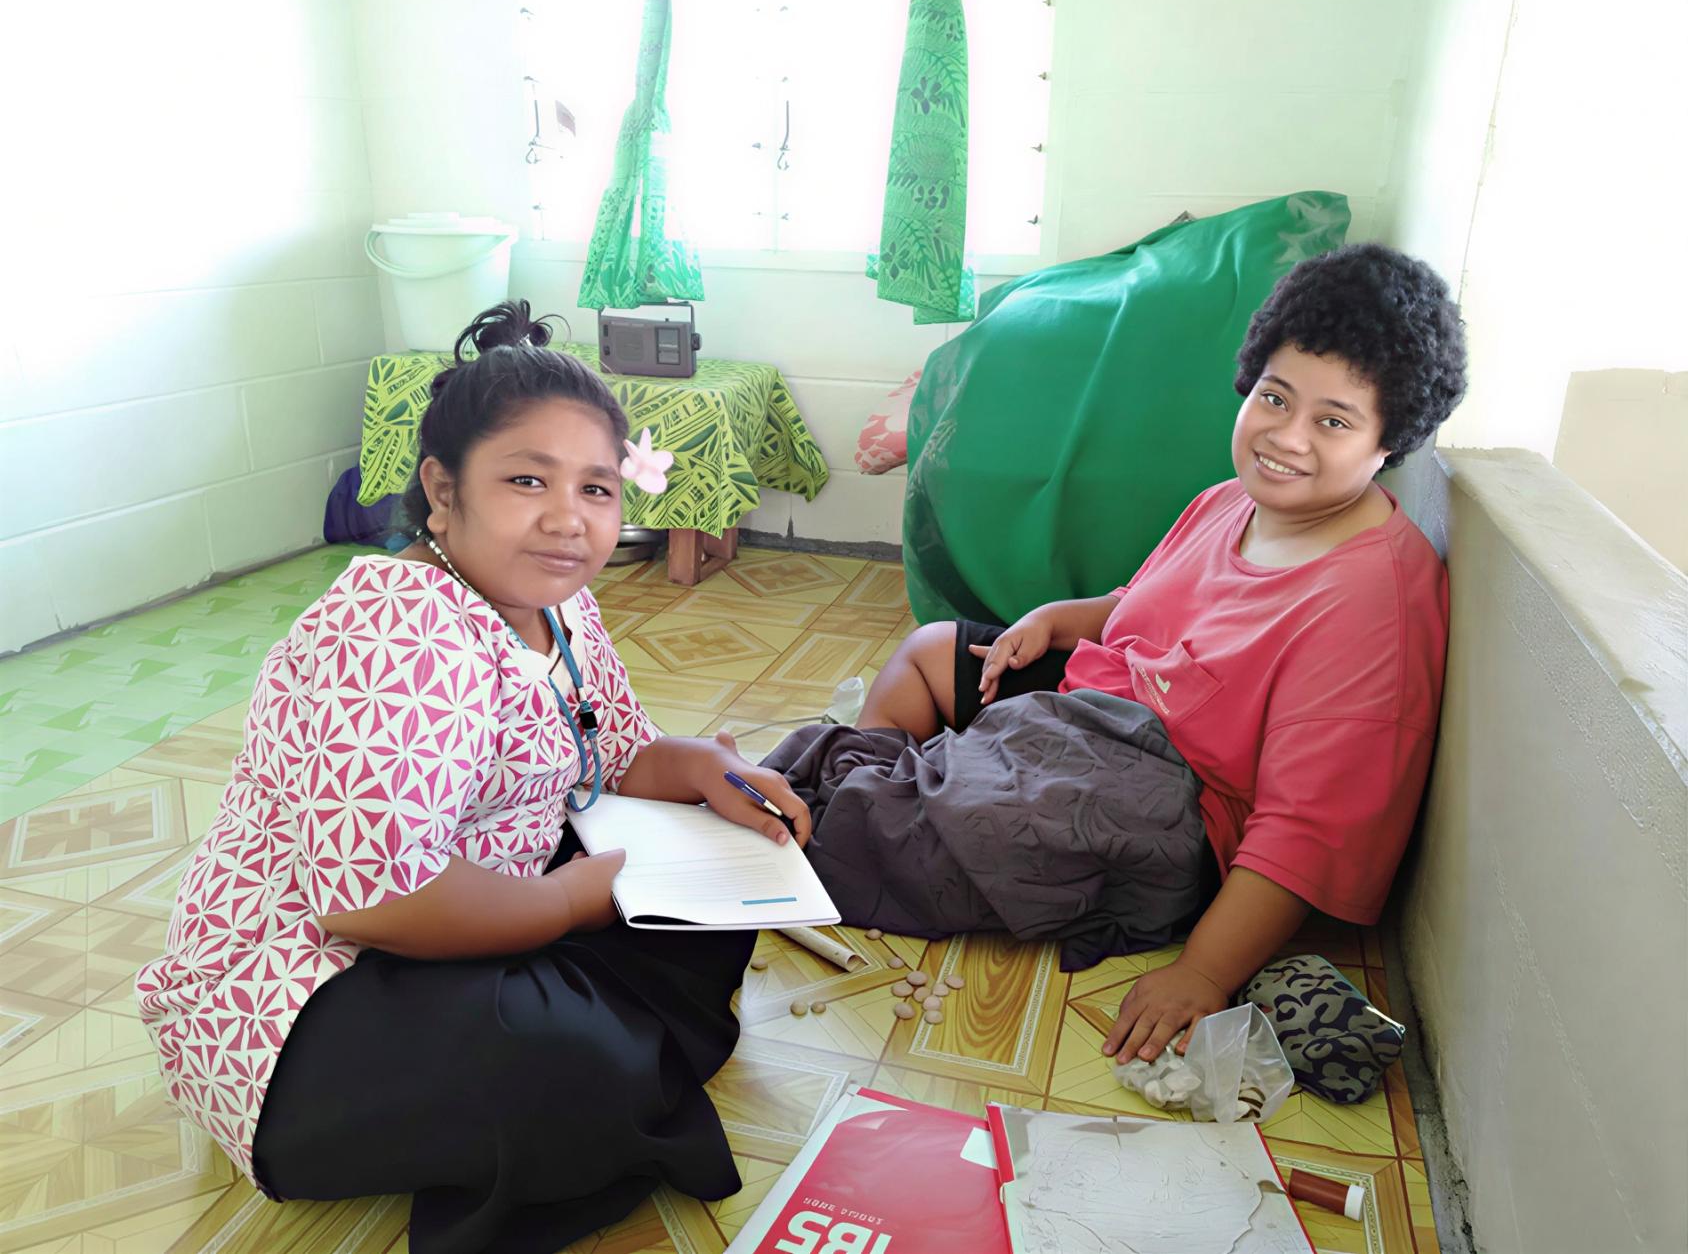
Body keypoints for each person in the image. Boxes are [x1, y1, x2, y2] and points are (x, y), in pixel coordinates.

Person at [135, 302, 810, 1254]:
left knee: (708, 901)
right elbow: (376, 903)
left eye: (598, 490)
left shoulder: (554, 607)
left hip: (475, 916)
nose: (568, 520)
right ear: (442, 492)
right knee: (560, 1060)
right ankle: (577, 1061)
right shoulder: (398, 624)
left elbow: (612, 750)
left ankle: (590, 1037)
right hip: (305, 992)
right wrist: (576, 904)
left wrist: (704, 768)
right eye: (527, 480)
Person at [769, 243, 1466, 1070]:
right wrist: (1059, 620)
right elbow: (1143, 608)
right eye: (1276, 397)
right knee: (931, 652)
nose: (1287, 436)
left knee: (894, 832)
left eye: (1334, 421)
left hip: (1170, 803)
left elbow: (1307, 830)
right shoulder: (1227, 501)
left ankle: (884, 816)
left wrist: (1203, 973)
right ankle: (896, 799)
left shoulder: (1372, 603)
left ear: (1390, 442)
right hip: (1094, 713)